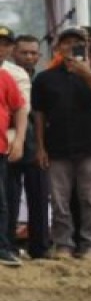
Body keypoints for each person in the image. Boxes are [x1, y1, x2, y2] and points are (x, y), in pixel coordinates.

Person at [31, 27, 91, 260]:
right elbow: (39, 114)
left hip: (90, 146)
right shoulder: (45, 78)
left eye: (77, 43)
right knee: (59, 200)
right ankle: (63, 244)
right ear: (57, 48)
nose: (71, 46)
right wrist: (40, 146)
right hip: (57, 147)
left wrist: (86, 74)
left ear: (86, 47)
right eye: (66, 43)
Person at [6, 34, 46, 259]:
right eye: (24, 52)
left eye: (33, 53)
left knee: (39, 197)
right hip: (12, 142)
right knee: (10, 197)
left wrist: (42, 146)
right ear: (14, 53)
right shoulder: (7, 76)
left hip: (38, 146)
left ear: (39, 56)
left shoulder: (44, 79)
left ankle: (40, 248)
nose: (29, 57)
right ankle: (8, 245)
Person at [0, 65, 26, 266]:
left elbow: (19, 108)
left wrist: (18, 140)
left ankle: (2, 248)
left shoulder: (5, 77)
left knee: (1, 203)